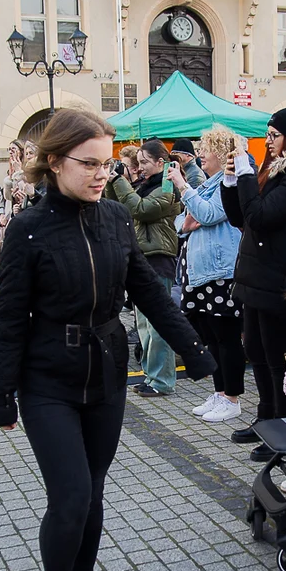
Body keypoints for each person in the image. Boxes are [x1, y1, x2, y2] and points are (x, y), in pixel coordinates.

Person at [0, 109, 215, 571]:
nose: (100, 175)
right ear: (55, 161)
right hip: (48, 382)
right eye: (88, 164)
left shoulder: (113, 218)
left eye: (108, 165)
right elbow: (11, 318)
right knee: (69, 498)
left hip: (107, 374)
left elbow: (150, 291)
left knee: (94, 494)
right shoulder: (28, 229)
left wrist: (194, 351)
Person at [222, 104, 286, 460]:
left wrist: (249, 175)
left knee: (274, 357)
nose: (267, 142)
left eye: (273, 135)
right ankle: (265, 417)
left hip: (280, 277)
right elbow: (241, 217)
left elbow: (261, 217)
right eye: (266, 135)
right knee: (256, 350)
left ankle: (282, 428)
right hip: (258, 276)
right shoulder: (280, 170)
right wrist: (231, 181)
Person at [165, 126, 244, 422]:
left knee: (227, 338)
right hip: (201, 273)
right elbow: (182, 222)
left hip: (221, 272)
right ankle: (220, 392)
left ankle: (232, 397)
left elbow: (209, 214)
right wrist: (185, 223)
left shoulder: (229, 182)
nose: (200, 155)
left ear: (222, 154)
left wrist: (182, 186)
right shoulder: (210, 184)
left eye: (206, 150)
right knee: (211, 337)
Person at [113, 139, 182, 398]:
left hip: (159, 260)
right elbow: (121, 209)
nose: (139, 168)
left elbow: (141, 210)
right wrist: (113, 181)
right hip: (142, 260)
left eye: (144, 162)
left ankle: (163, 381)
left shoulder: (166, 187)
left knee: (157, 326)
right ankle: (152, 376)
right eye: (138, 163)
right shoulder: (144, 185)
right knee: (143, 325)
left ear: (160, 163)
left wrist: (120, 182)